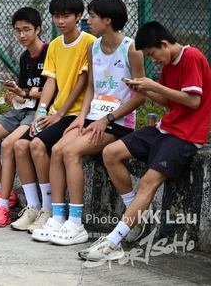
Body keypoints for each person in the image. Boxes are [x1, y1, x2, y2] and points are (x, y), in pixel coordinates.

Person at [79, 21, 211, 262]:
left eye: (152, 54)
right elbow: (170, 103)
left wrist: (155, 85)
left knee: (148, 182)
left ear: (164, 44)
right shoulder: (169, 63)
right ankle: (135, 215)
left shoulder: (191, 56)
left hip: (186, 136)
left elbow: (193, 101)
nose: (153, 60)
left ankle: (113, 241)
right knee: (110, 152)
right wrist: (144, 90)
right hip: (165, 128)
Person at [31, 0, 146, 244]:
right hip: (93, 117)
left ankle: (76, 223)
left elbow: (140, 96)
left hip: (118, 121)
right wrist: (81, 117)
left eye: (92, 16)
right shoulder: (93, 48)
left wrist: (107, 118)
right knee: (57, 149)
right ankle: (58, 218)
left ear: (108, 20)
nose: (88, 21)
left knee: (70, 152)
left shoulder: (131, 49)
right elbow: (91, 87)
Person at [10, 0, 97, 233]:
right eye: (56, 16)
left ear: (78, 16)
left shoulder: (89, 42)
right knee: (20, 145)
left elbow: (82, 82)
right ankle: (34, 206)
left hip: (76, 113)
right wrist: (41, 111)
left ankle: (49, 210)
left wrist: (59, 114)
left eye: (66, 15)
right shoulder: (55, 45)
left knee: (37, 145)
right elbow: (51, 81)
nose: (60, 21)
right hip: (55, 112)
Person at [0, 7, 49, 227]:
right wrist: (15, 97)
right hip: (22, 109)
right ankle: (4, 193)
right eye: (18, 30)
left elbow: (49, 93)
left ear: (38, 29)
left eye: (27, 29)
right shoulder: (25, 57)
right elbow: (26, 93)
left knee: (9, 144)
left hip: (39, 112)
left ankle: (3, 208)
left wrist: (25, 95)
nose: (22, 35)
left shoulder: (49, 52)